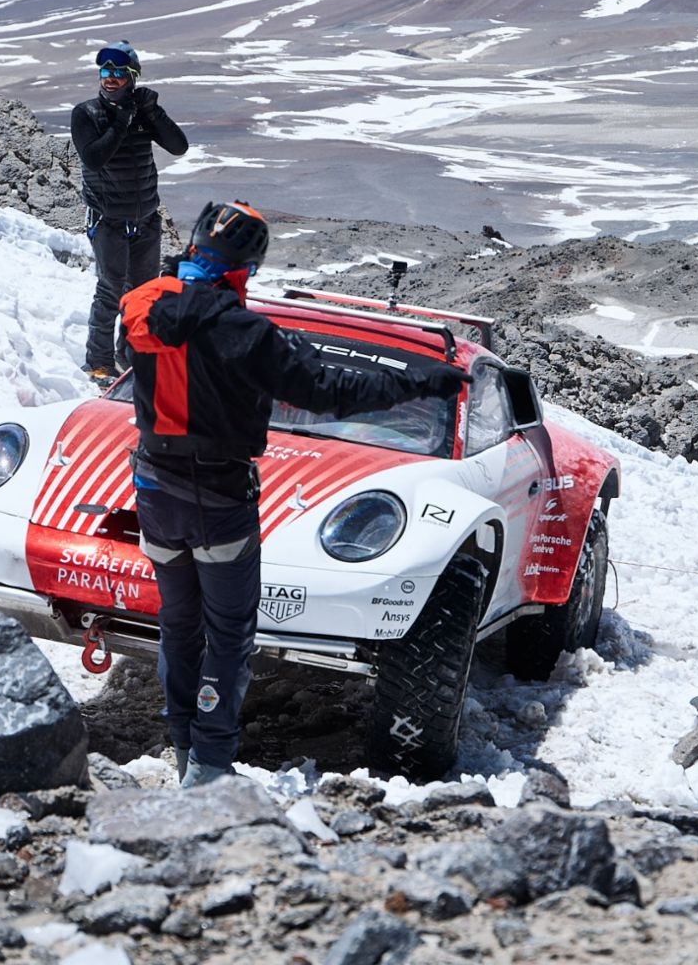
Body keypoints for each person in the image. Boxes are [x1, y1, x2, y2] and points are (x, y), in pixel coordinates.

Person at [121, 201, 467, 787]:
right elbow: (327, 389)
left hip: (154, 486)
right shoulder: (244, 331)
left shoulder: (141, 304)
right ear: (246, 266)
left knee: (179, 624)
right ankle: (207, 767)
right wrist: (418, 380)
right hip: (219, 496)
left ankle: (182, 744)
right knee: (227, 634)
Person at [71, 42, 189, 383]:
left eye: (119, 73)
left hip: (145, 219)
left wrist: (154, 112)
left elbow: (178, 146)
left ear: (132, 77)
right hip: (108, 220)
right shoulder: (87, 113)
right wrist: (121, 121)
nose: (110, 79)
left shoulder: (142, 113)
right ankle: (99, 363)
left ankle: (134, 360)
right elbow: (94, 157)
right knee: (110, 291)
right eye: (105, 72)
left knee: (144, 295)